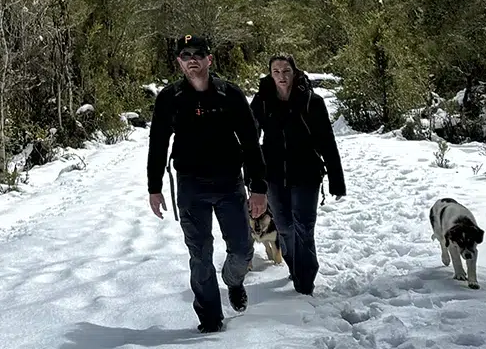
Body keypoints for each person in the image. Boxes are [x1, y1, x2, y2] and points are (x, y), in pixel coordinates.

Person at [147, 34, 268, 333]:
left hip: (229, 184)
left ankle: (233, 281)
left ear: (209, 59)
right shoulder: (170, 98)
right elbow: (158, 143)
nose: (192, 59)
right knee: (200, 254)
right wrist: (154, 186)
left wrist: (259, 188)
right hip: (190, 187)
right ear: (178, 62)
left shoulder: (230, 95)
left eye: (198, 54)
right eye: (185, 54)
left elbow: (252, 142)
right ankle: (210, 319)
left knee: (242, 250)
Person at [252, 54, 345, 296]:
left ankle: (305, 280)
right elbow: (250, 139)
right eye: (276, 72)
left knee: (304, 226)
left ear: (294, 72)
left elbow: (327, 140)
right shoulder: (262, 101)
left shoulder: (311, 102)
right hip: (272, 174)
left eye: (286, 71)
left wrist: (336, 178)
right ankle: (295, 267)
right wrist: (251, 176)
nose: (281, 76)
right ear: (270, 74)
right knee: (283, 227)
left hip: (306, 173)